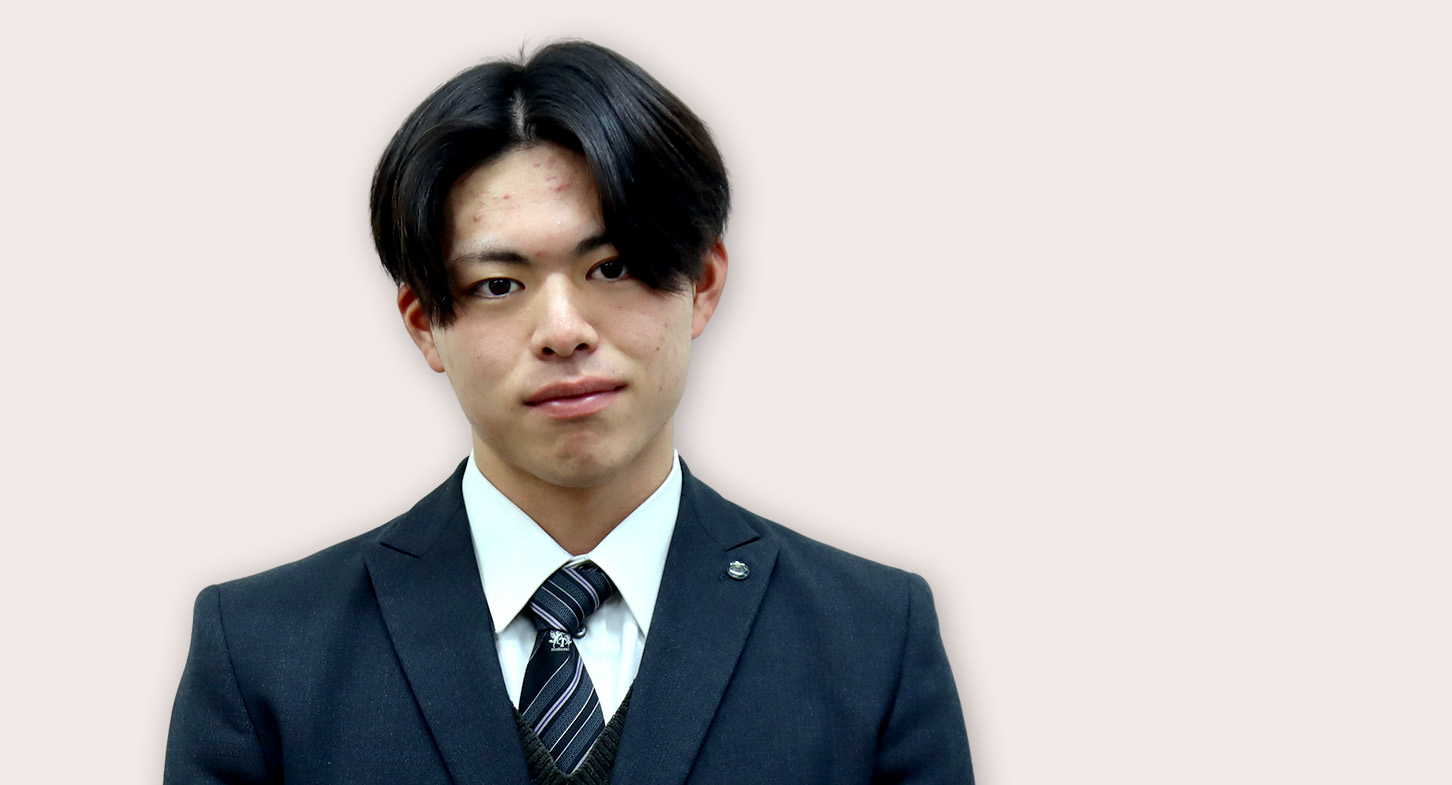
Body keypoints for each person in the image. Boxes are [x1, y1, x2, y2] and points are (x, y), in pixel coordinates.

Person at [165, 40, 973, 785]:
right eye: (498, 284)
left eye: (611, 267)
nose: (562, 330)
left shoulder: (873, 639)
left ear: (702, 281)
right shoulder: (264, 652)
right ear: (424, 323)